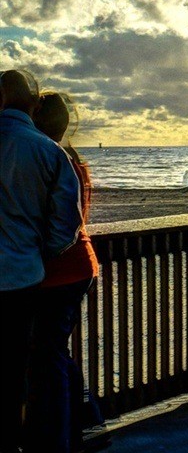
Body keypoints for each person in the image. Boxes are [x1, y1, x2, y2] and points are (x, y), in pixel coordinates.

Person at [0, 71, 82, 448]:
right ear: (30, 105)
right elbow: (67, 222)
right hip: (21, 278)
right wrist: (38, 252)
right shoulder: (48, 151)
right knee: (18, 369)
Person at [29, 91, 102, 452]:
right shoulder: (74, 159)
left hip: (58, 271)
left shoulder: (49, 159)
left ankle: (61, 436)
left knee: (46, 353)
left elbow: (57, 223)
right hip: (80, 267)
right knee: (54, 350)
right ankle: (86, 422)